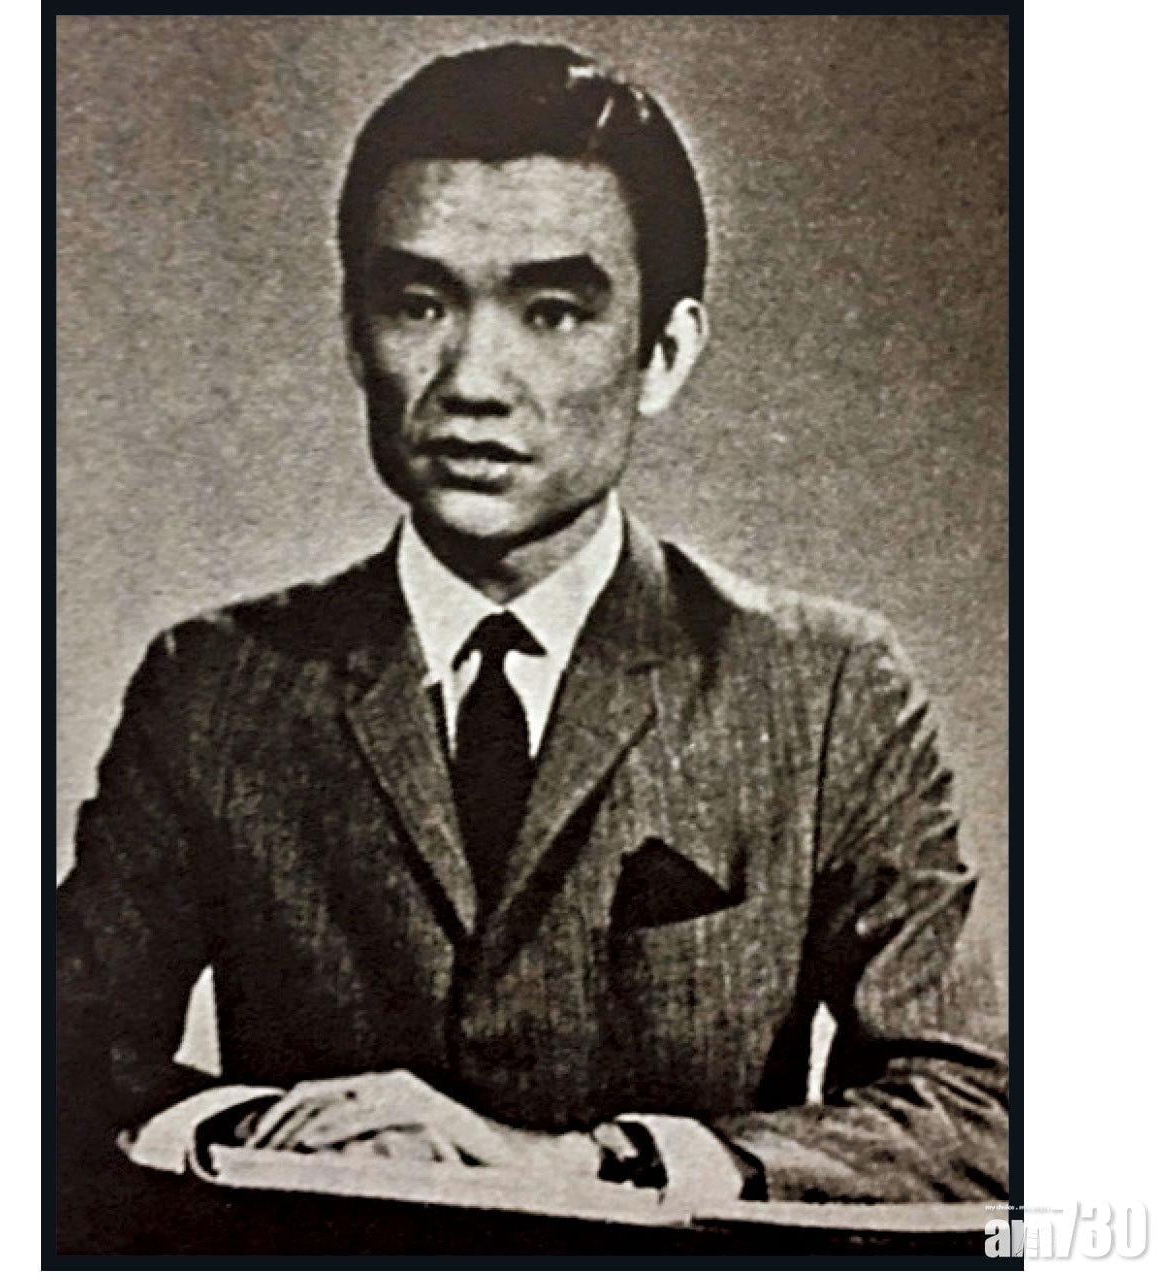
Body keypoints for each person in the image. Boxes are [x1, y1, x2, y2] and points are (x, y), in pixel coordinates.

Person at [57, 42, 1007, 1217]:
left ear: (663, 352)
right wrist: (256, 1130)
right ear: (353, 333)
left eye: (552, 312)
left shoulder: (822, 688)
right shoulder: (217, 684)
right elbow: (47, 1058)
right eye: (418, 305)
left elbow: (971, 1109)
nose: (472, 379)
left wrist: (592, 1164)